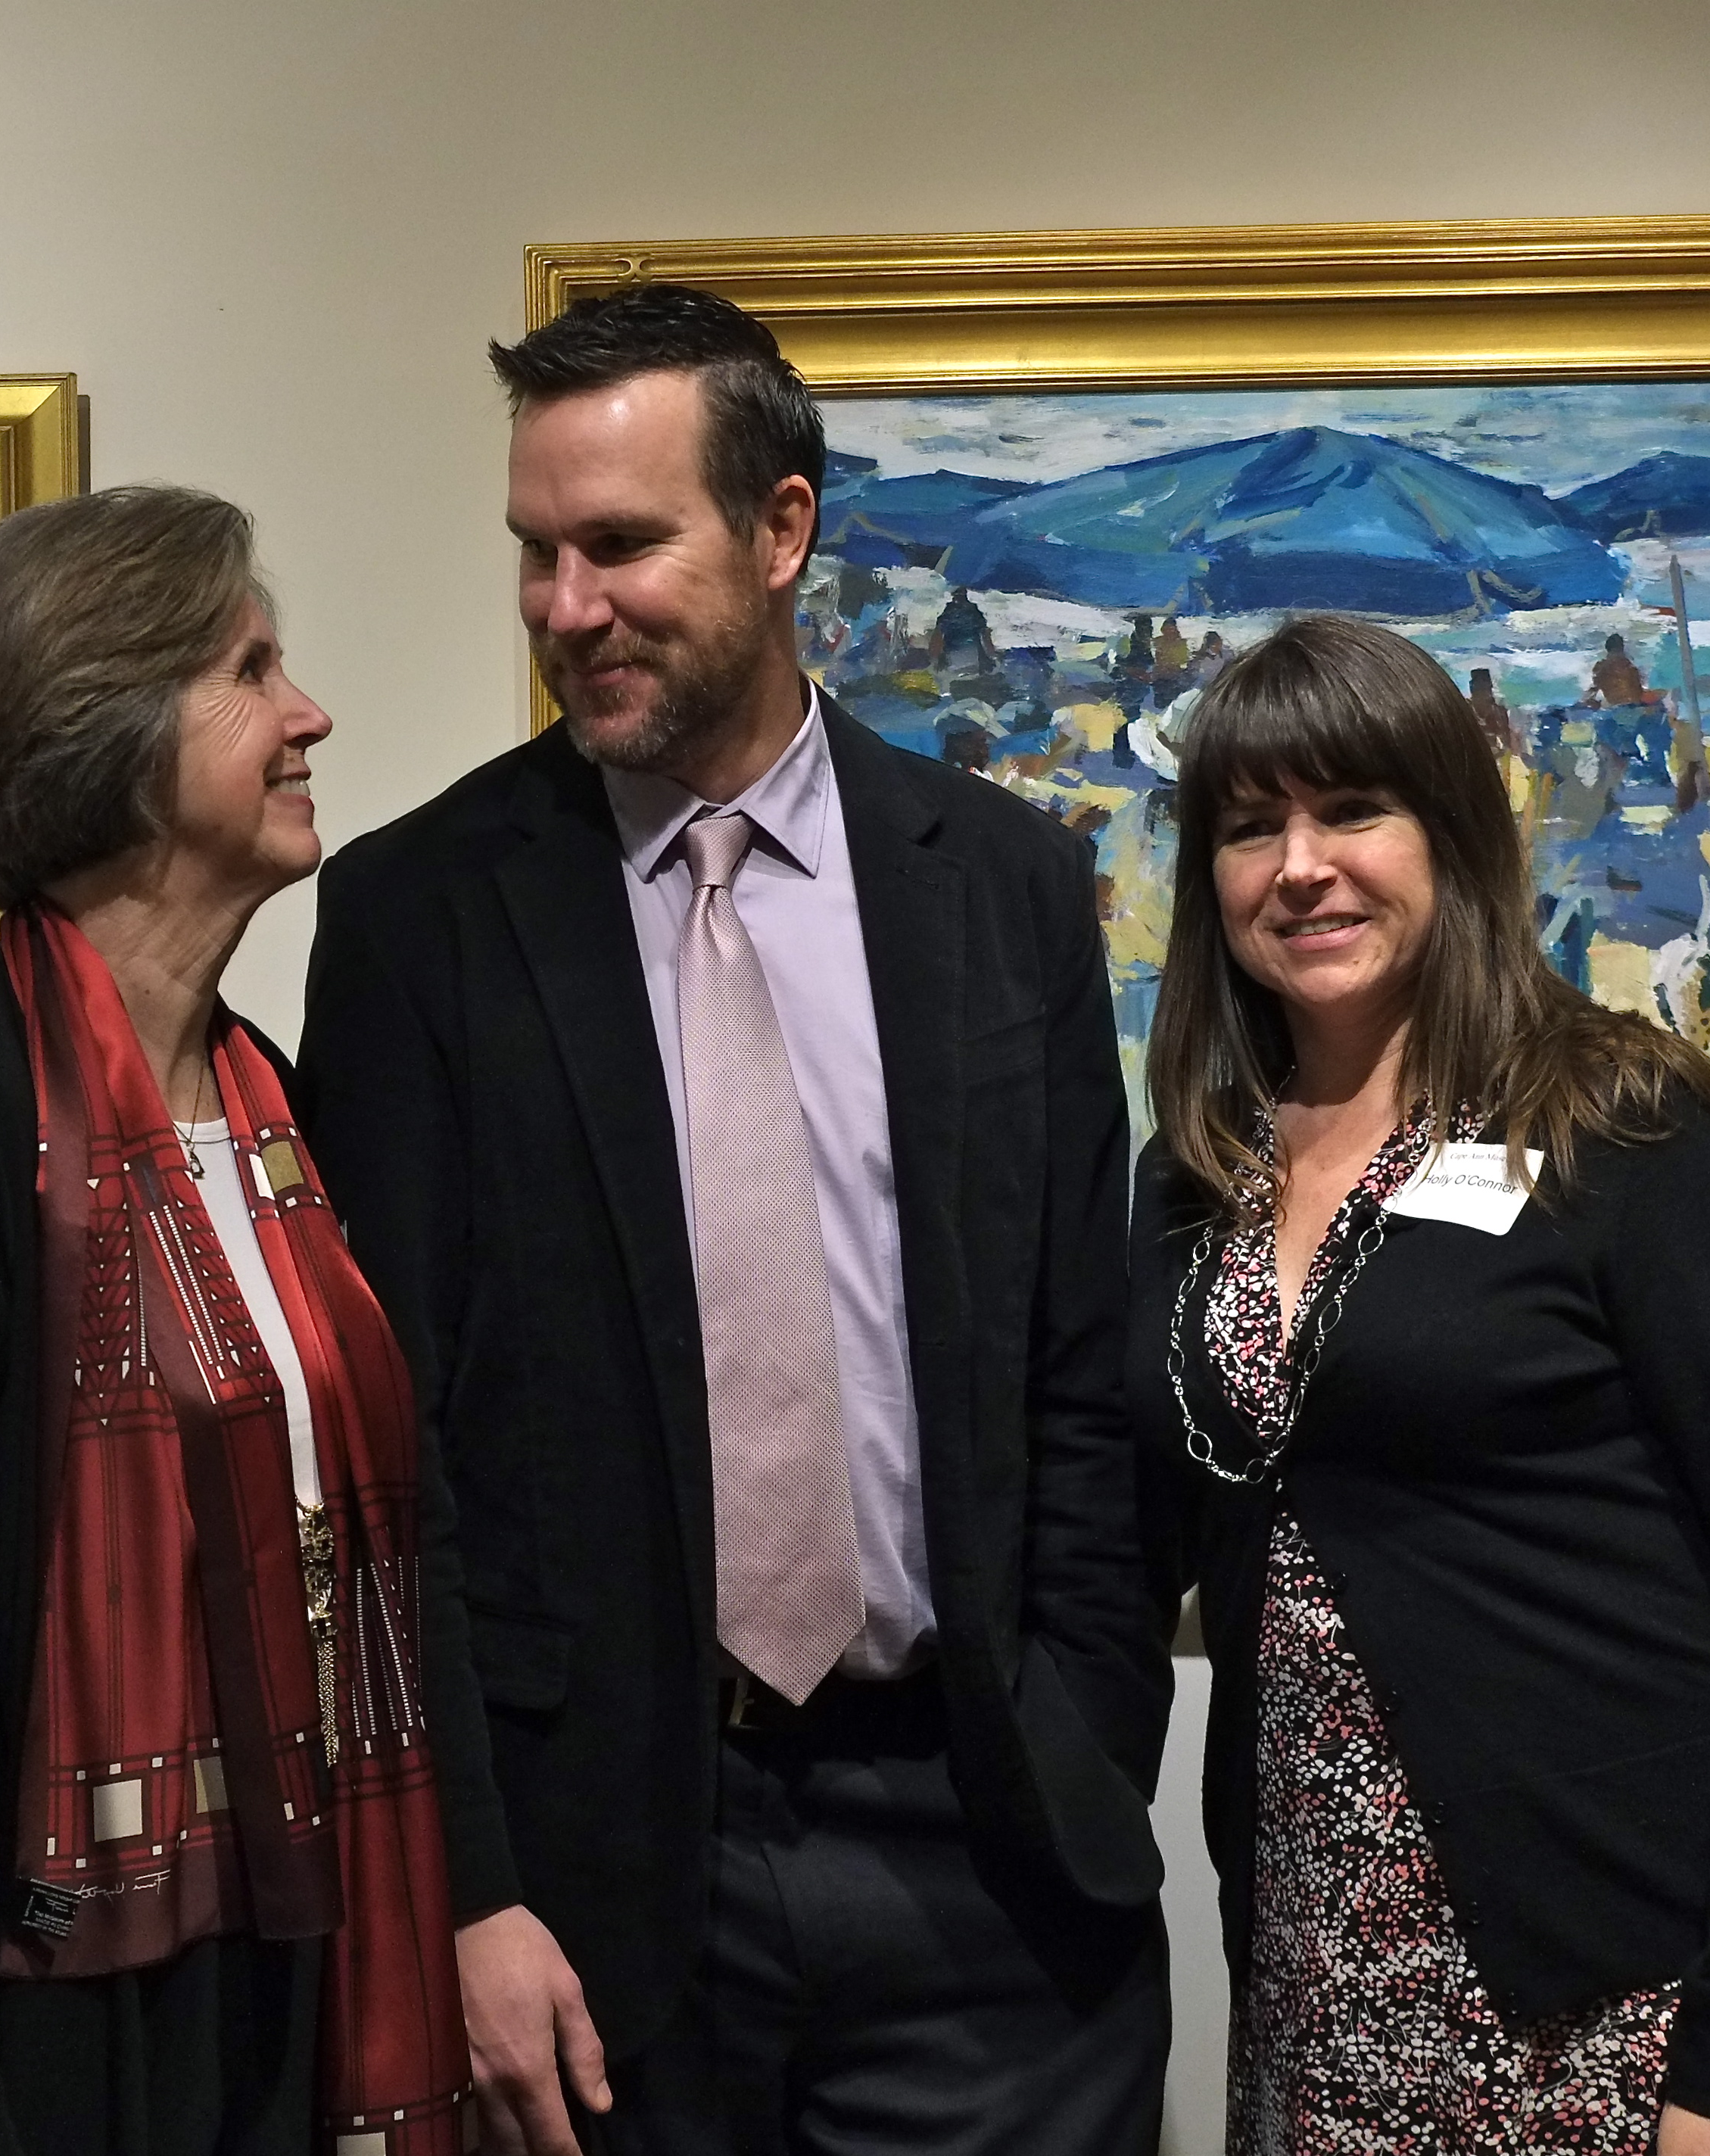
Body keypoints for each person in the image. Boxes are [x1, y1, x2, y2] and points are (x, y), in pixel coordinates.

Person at [301, 282, 1172, 2156]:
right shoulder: (417, 917)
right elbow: (391, 1461)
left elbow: (1072, 1372)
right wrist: (465, 1884)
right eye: (535, 552)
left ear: (782, 531)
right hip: (602, 1888)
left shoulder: (1004, 883)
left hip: (983, 1860)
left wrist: (1090, 1742)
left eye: (622, 545)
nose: (566, 607)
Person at [0, 487, 469, 2156]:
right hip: (20, 2015)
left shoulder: (277, 1112)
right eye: (251, 670)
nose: (310, 713)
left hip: (262, 1973)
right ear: (111, 735)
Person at [1129, 615, 1710, 2156]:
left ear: (1451, 831)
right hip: (1318, 1990)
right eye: (1250, 826)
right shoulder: (1195, 1177)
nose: (1302, 866)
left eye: (1354, 809)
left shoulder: (1619, 1124)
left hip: (1619, 2010)